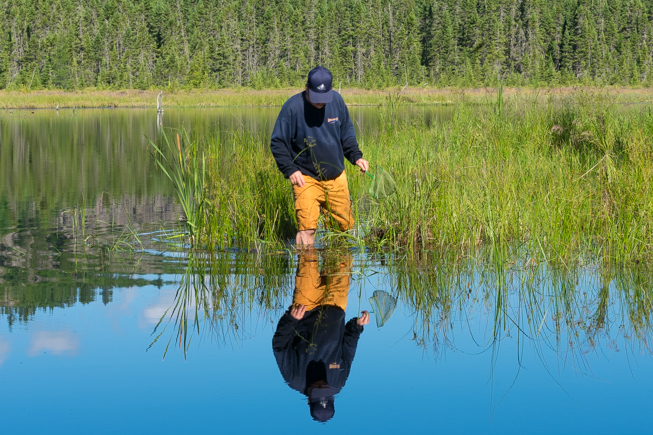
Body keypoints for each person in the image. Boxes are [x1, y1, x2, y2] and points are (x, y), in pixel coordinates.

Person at [270, 66, 369, 245]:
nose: (320, 103)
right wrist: (290, 169)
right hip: (306, 177)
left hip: (336, 175)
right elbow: (277, 142)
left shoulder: (337, 101)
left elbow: (346, 133)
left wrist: (356, 156)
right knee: (306, 229)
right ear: (307, 88)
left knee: (344, 229)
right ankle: (307, 268)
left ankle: (336, 268)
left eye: (324, 98)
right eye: (316, 98)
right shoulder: (292, 108)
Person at [272, 252, 369, 422]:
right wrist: (357, 326)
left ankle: (308, 228)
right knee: (342, 253)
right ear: (332, 397)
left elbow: (279, 345)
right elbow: (348, 347)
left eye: (318, 389)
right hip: (336, 305)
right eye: (326, 390)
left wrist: (291, 320)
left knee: (308, 256)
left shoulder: (293, 377)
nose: (323, 385)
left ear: (309, 400)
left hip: (306, 306)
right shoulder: (338, 382)